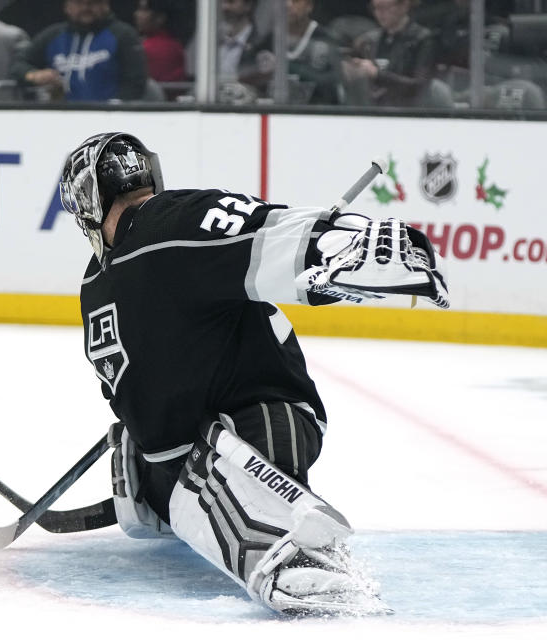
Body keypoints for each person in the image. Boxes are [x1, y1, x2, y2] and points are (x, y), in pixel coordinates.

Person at [59, 132, 449, 615]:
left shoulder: (167, 223)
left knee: (235, 443)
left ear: (85, 207)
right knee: (156, 454)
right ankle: (172, 492)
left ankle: (293, 547)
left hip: (263, 421)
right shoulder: (99, 278)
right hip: (181, 450)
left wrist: (338, 243)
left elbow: (263, 229)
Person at [10, 0, 147, 102]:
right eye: (79, 2)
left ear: (106, 5)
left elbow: (135, 82)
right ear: (67, 6)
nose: (85, 8)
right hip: (58, 115)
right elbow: (19, 65)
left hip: (109, 116)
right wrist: (35, 76)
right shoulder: (53, 35)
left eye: (92, 2)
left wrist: (115, 106)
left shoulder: (123, 34)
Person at [341, 0, 436, 107]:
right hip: (370, 109)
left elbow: (419, 87)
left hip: (407, 111)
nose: (379, 13)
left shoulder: (423, 40)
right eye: (375, 8)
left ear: (404, 6)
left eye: (385, 8)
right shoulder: (367, 41)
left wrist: (377, 75)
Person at [248, 0, 344, 105]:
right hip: (275, 113)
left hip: (314, 114)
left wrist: (287, 66)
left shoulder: (324, 40)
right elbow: (245, 75)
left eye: (295, 1)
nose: (288, 5)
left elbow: (332, 85)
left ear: (309, 6)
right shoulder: (266, 40)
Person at [133, 0, 185, 84]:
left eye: (144, 10)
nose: (136, 14)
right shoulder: (176, 46)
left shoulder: (149, 48)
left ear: (160, 18)